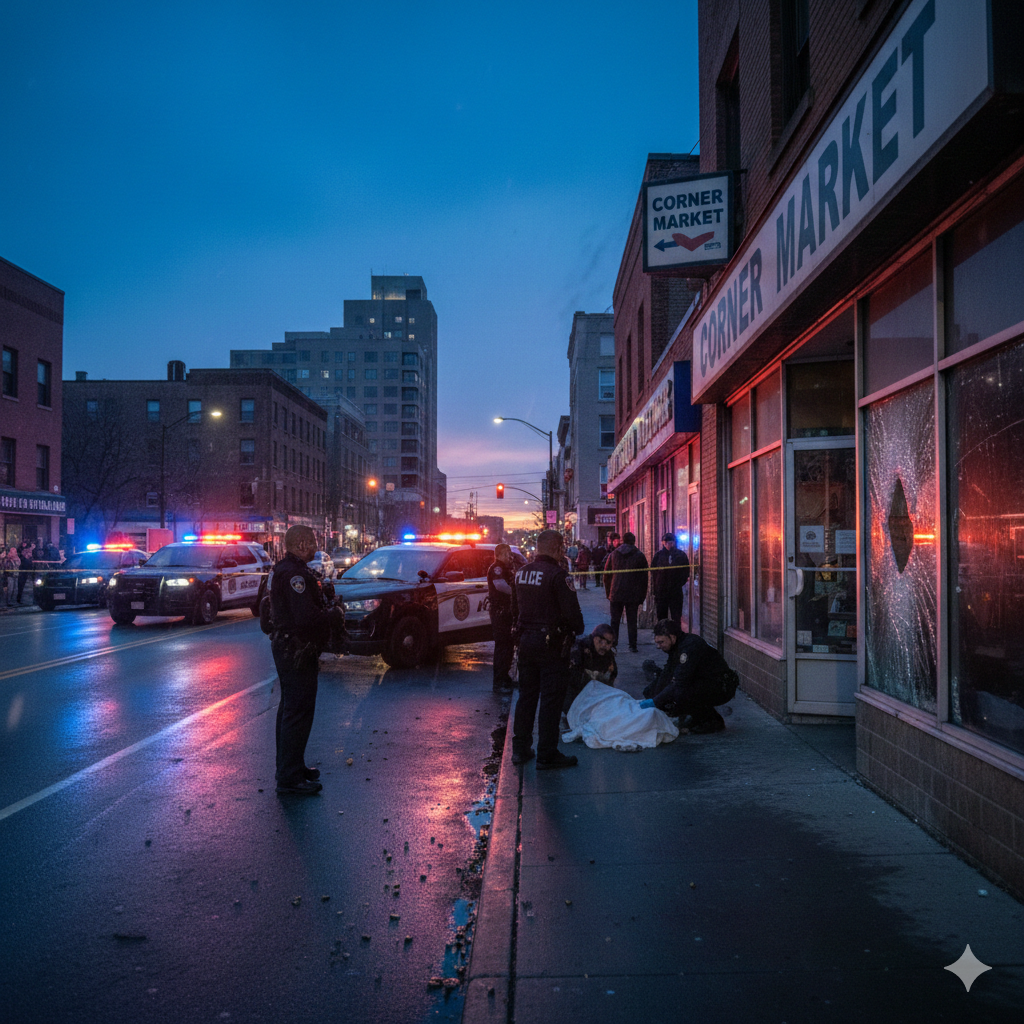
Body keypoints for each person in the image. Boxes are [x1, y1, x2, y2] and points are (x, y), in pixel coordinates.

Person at [268, 525, 345, 796]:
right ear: (301, 544)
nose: (315, 546)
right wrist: (334, 615)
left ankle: (292, 767)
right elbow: (305, 618)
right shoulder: (294, 575)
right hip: (295, 650)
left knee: (291, 709)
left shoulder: (284, 570)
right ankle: (289, 778)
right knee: (297, 712)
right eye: (311, 541)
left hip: (289, 648)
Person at [512, 529, 585, 769]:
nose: (563, 551)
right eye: (562, 547)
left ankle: (520, 749)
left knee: (526, 697)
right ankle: (547, 753)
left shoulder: (520, 574)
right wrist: (574, 628)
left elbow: (516, 610)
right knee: (551, 701)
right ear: (555, 548)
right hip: (551, 646)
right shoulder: (558, 575)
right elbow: (574, 617)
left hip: (525, 642)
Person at [641, 620, 738, 734]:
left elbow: (679, 681)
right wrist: (652, 696)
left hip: (721, 686)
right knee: (653, 691)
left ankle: (711, 720)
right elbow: (667, 673)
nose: (658, 646)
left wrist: (656, 702)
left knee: (681, 692)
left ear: (672, 637)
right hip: (705, 682)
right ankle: (694, 716)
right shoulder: (676, 646)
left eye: (661, 642)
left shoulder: (690, 646)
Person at [561, 623, 618, 730]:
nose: (604, 646)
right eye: (600, 641)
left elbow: (611, 677)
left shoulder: (608, 655)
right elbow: (571, 678)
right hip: (572, 689)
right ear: (594, 638)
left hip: (592, 690)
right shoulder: (579, 648)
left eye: (608, 643)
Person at [603, 531, 648, 652]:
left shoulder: (613, 554)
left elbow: (606, 575)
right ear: (634, 541)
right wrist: (642, 596)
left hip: (616, 591)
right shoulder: (639, 555)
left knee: (615, 620)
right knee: (632, 620)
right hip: (633, 593)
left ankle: (613, 644)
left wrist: (609, 593)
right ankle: (632, 645)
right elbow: (644, 578)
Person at [486, 543, 518, 693]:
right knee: (502, 647)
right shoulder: (496, 568)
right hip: (500, 612)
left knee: (508, 647)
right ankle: (498, 682)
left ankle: (505, 678)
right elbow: (500, 586)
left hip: (507, 612)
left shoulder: (507, 568)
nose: (509, 556)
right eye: (506, 554)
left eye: (509, 553)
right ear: (498, 555)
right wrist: (517, 593)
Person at [651, 532, 690, 624]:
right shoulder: (658, 555)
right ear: (663, 543)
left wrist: (678, 583)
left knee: (676, 616)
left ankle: (675, 635)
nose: (669, 545)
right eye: (667, 543)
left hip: (675, 591)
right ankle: (662, 635)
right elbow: (653, 572)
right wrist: (657, 586)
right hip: (661, 591)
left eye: (671, 543)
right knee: (661, 616)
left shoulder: (680, 555)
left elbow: (685, 571)